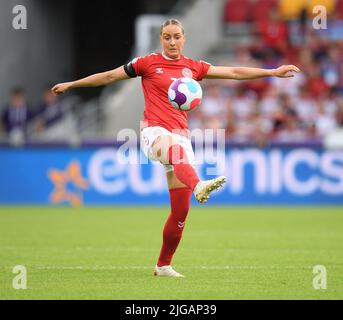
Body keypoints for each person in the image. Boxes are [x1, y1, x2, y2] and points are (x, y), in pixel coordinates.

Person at [51, 18, 300, 277]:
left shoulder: (193, 68)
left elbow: (234, 73)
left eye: (177, 36)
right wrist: (73, 84)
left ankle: (163, 265)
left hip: (181, 136)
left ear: (184, 38)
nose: (172, 41)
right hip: (154, 133)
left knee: (180, 211)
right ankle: (199, 185)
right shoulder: (146, 63)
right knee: (175, 151)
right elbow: (110, 76)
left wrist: (272, 72)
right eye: (167, 37)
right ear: (161, 38)